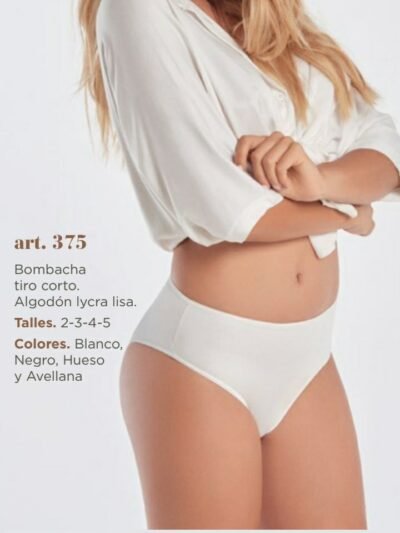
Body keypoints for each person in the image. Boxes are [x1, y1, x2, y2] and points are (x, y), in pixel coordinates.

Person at [78, 0, 400, 529]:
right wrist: (347, 211)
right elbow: (218, 204)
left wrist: (322, 182)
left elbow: (382, 144)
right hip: (203, 363)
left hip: (309, 359)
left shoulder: (265, 17)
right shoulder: (136, 11)